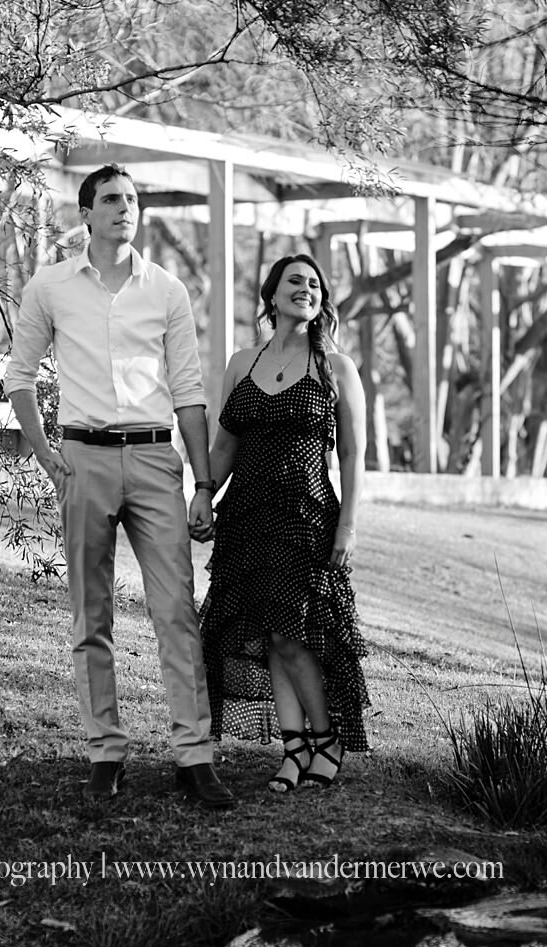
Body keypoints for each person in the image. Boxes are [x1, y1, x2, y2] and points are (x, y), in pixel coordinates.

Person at [3, 164, 235, 809]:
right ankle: (106, 749)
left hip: (158, 460)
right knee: (91, 615)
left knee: (176, 613)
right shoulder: (50, 286)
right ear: (87, 213)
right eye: (111, 199)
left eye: (132, 200)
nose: (124, 208)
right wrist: (49, 458)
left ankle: (194, 755)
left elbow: (188, 392)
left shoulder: (166, 290)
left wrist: (202, 484)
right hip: (84, 459)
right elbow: (18, 377)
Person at [200, 252, 371, 792]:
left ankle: (327, 740)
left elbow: (353, 457)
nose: (306, 289)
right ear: (271, 296)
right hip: (246, 514)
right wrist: (204, 493)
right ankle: (294, 751)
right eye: (294, 281)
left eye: (315, 284)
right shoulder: (241, 363)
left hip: (305, 516)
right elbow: (225, 442)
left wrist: (345, 529)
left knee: (292, 635)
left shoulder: (335, 368)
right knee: (271, 637)